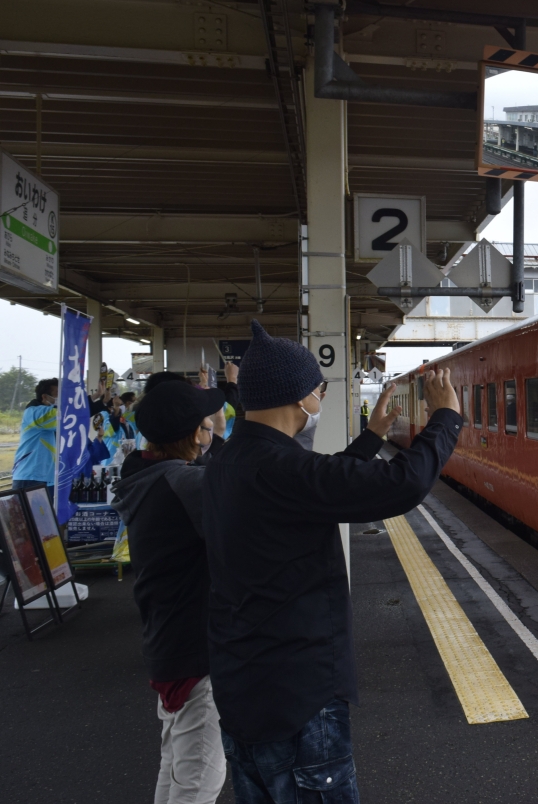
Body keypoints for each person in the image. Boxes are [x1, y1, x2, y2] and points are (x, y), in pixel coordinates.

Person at [203, 321, 461, 803]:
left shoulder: (229, 462)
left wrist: (371, 437)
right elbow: (399, 485)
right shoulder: (280, 468)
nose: (320, 398)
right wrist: (446, 418)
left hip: (245, 689)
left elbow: (322, 489)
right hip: (297, 697)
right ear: (296, 397)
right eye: (319, 389)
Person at [113, 380, 228, 804]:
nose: (210, 430)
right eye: (204, 425)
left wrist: (205, 443)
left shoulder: (144, 473)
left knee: (177, 767)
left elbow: (198, 471)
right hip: (195, 649)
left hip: (169, 641)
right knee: (199, 779)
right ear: (194, 435)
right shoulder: (184, 486)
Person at [11, 378, 59, 496]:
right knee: (28, 514)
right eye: (58, 395)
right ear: (44, 397)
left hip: (47, 476)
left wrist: (98, 399)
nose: (61, 399)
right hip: (29, 476)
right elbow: (64, 415)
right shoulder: (34, 412)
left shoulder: (50, 413)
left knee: (48, 514)